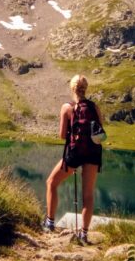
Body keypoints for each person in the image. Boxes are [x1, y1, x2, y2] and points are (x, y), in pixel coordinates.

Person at [43, 74, 103, 243]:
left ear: (72, 88)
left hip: (74, 152)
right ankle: (84, 233)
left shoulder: (67, 107)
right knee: (88, 194)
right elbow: (100, 131)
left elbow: (62, 135)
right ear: (86, 88)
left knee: (51, 182)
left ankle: (49, 222)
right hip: (93, 153)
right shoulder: (94, 107)